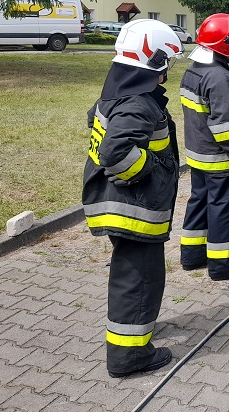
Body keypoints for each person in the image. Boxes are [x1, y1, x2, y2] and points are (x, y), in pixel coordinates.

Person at [82, 19, 184, 378]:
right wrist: (147, 172)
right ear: (154, 62)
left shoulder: (117, 92)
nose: (167, 71)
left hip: (121, 205)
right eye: (166, 63)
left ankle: (136, 333)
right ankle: (129, 357)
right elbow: (115, 153)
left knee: (134, 275)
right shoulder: (138, 103)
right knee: (140, 278)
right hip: (134, 209)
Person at [179, 13, 229, 280]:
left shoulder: (194, 71)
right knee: (225, 209)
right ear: (223, 45)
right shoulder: (219, 79)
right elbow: (228, 129)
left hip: (199, 157)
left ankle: (192, 255)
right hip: (223, 160)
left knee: (199, 203)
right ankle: (224, 265)